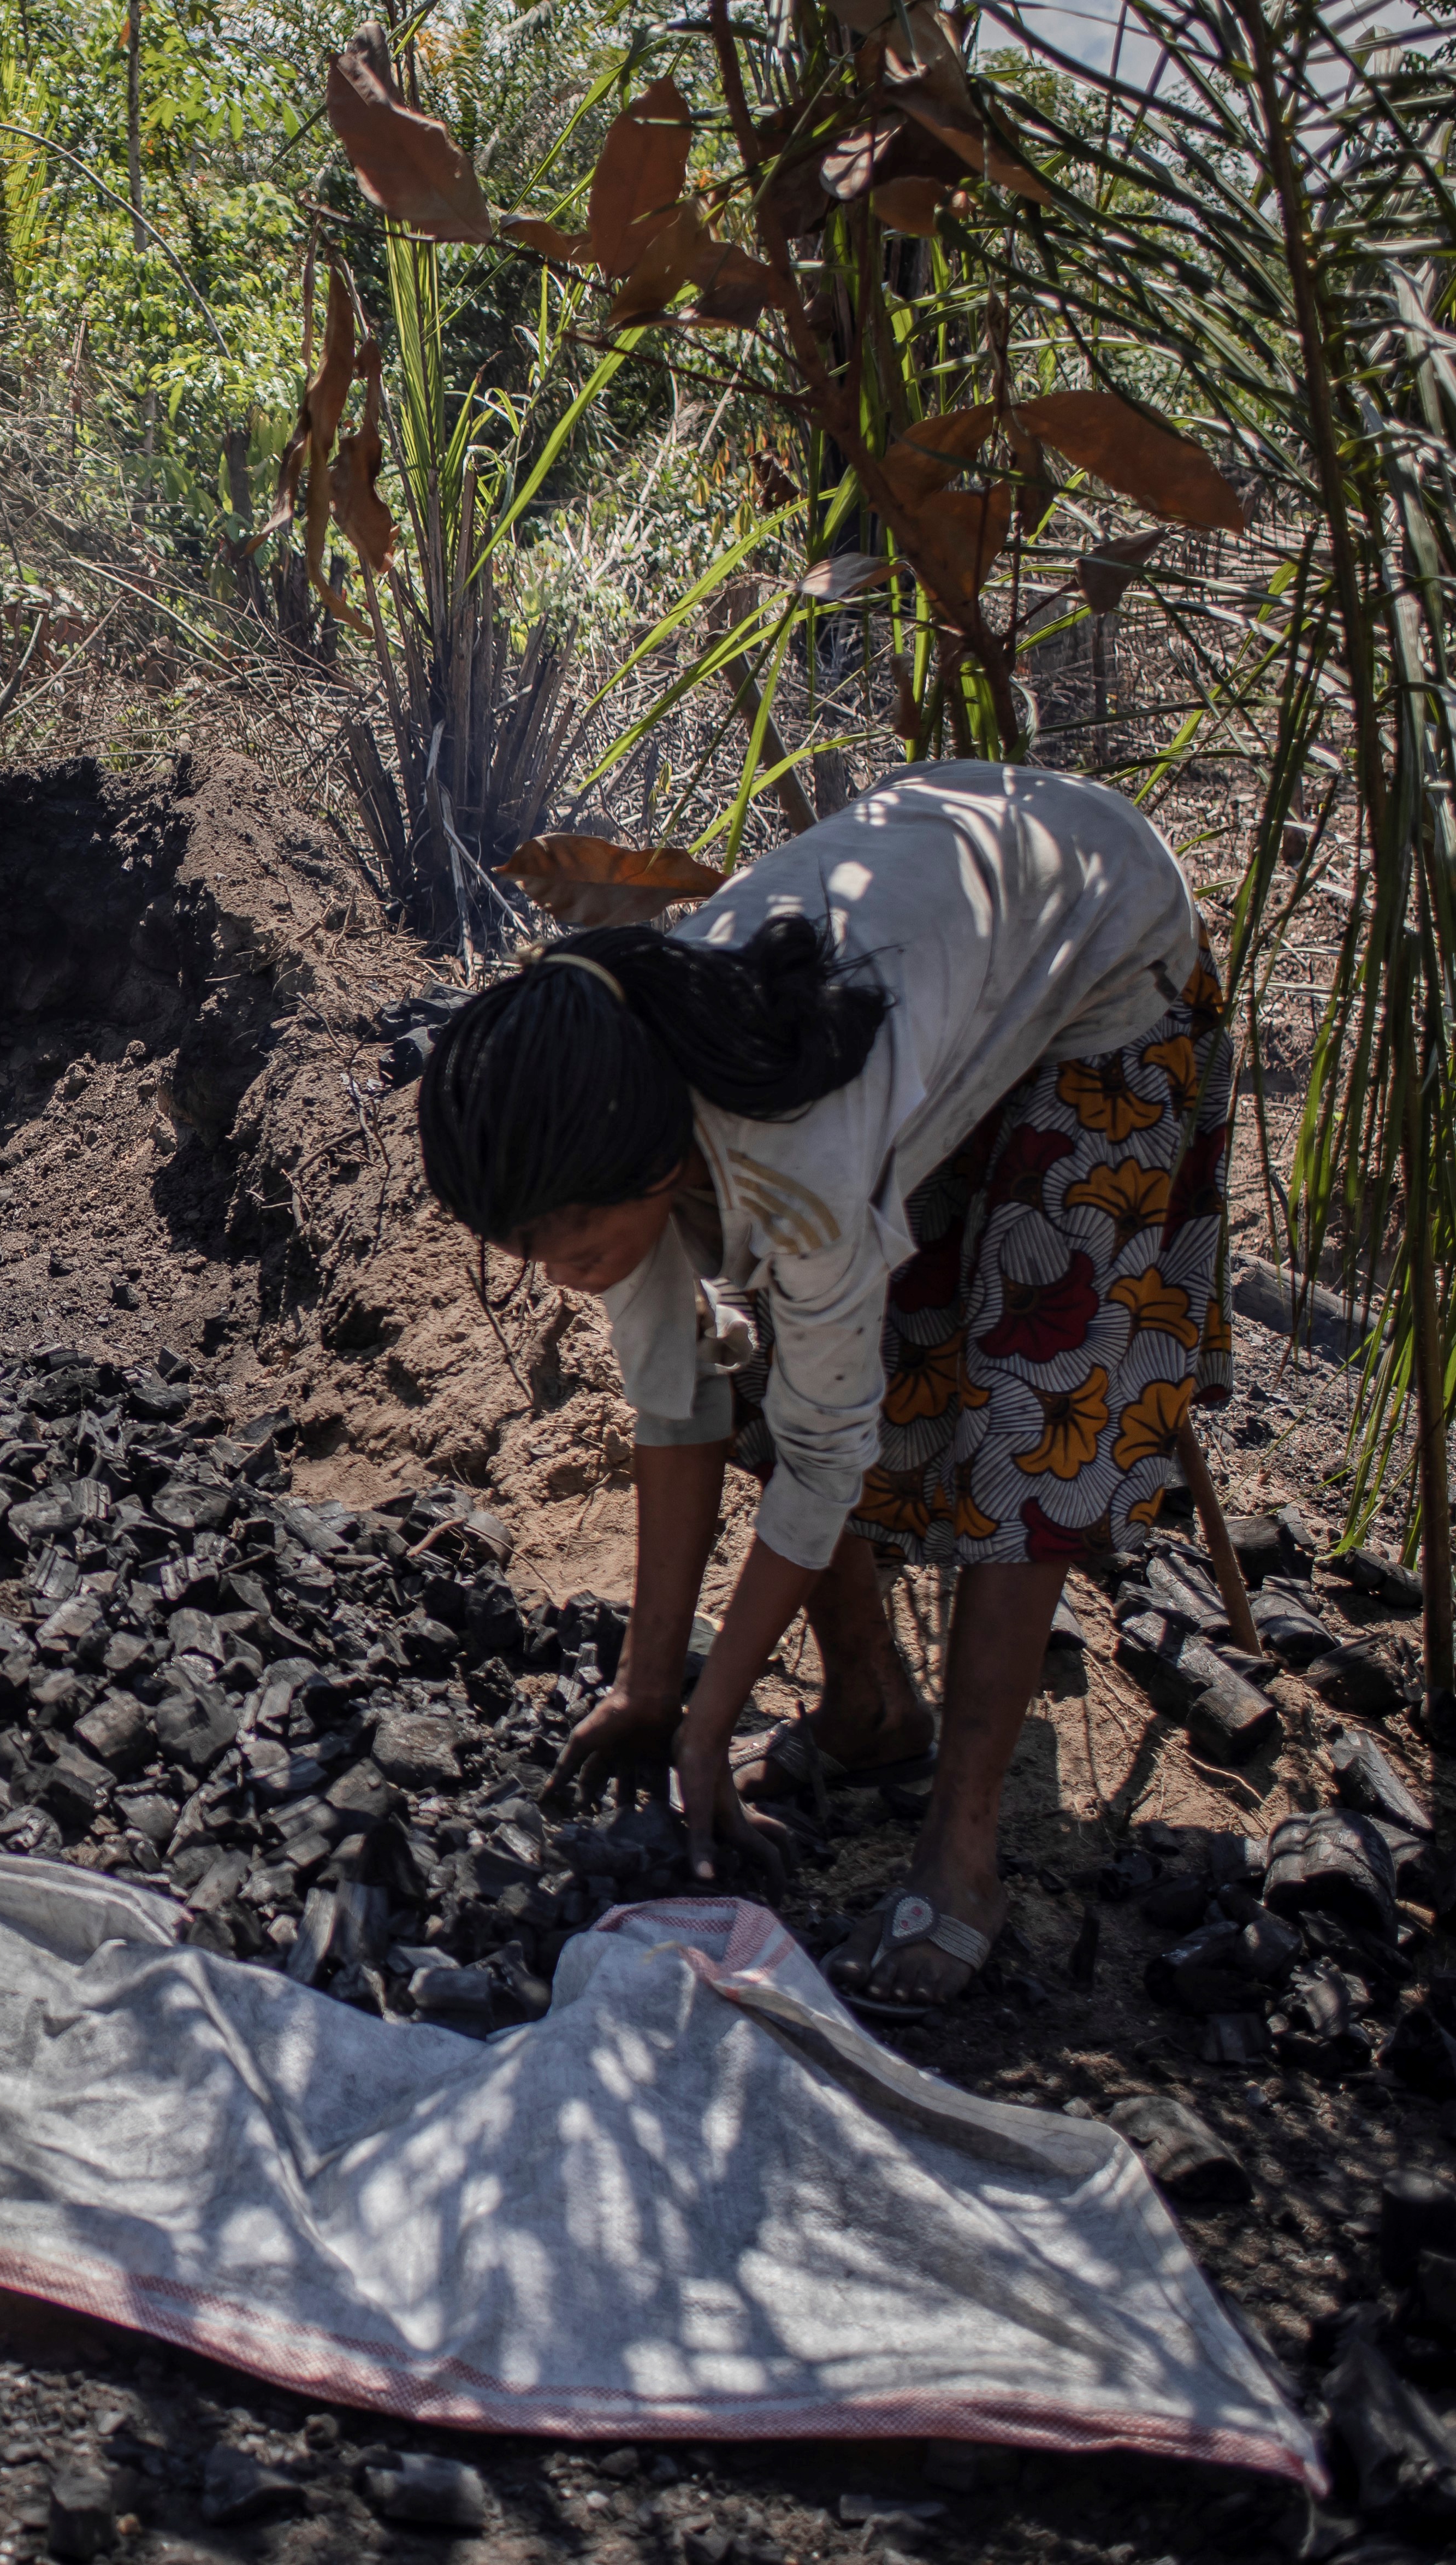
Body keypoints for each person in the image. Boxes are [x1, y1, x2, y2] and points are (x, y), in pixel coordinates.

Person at [414, 761, 1229, 2014]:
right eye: (534, 1253)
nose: (566, 1277)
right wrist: (649, 1683)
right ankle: (865, 1710)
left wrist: (709, 1718)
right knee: (760, 1365)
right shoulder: (611, 1095)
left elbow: (828, 1447)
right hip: (954, 974)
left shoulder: (796, 1146)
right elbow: (676, 1397)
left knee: (1030, 1412)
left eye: (577, 1244)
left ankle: (958, 1862)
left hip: (1103, 956)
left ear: (655, 1163)